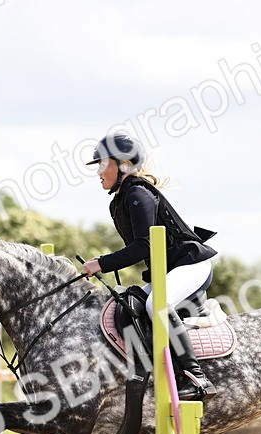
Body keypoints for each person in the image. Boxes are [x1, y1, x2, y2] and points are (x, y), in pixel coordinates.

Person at [80, 132, 219, 401]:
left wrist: (101, 263)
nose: (98, 172)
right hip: (170, 269)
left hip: (192, 264)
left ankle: (196, 377)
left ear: (121, 165)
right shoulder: (121, 199)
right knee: (130, 306)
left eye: (101, 164)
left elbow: (143, 246)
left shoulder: (138, 194)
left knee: (155, 304)